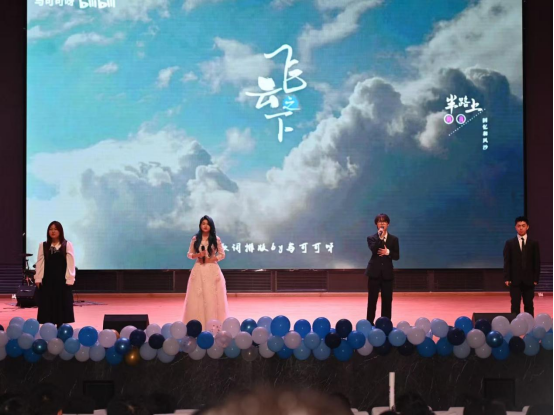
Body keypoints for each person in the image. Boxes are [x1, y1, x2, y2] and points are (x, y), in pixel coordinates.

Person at [182, 215, 229, 327]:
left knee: (211, 297)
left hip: (212, 270)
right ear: (200, 225)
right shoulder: (195, 239)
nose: (205, 226)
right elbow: (189, 254)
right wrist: (198, 255)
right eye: (203, 223)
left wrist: (213, 259)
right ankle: (197, 325)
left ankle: (213, 324)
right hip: (199, 269)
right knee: (197, 298)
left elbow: (222, 254)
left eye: (207, 224)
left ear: (211, 226)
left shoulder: (216, 239)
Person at [35, 221, 76, 327]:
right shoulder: (43, 245)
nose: (53, 231)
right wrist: (38, 278)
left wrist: (70, 278)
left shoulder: (67, 244)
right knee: (48, 304)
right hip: (47, 280)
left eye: (55, 229)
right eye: (51, 229)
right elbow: (40, 262)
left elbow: (71, 263)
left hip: (62, 280)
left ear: (60, 231)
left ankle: (60, 328)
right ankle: (49, 328)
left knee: (61, 305)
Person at [365, 214, 400, 324]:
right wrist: (380, 238)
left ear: (388, 224)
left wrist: (388, 252)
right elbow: (374, 250)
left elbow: (397, 256)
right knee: (372, 300)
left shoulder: (394, 239)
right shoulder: (371, 238)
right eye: (379, 222)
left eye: (384, 221)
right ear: (376, 224)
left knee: (387, 300)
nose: (382, 223)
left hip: (387, 274)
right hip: (374, 273)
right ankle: (369, 323)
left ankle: (385, 323)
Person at [504, 216, 541, 316]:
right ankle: (515, 324)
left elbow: (536, 262)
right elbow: (507, 262)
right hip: (514, 280)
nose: (521, 228)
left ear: (527, 227)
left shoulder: (534, 243)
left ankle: (529, 324)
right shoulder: (510, 243)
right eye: (519, 226)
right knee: (515, 304)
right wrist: (507, 278)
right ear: (515, 227)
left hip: (529, 280)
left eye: (523, 226)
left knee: (529, 304)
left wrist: (536, 278)